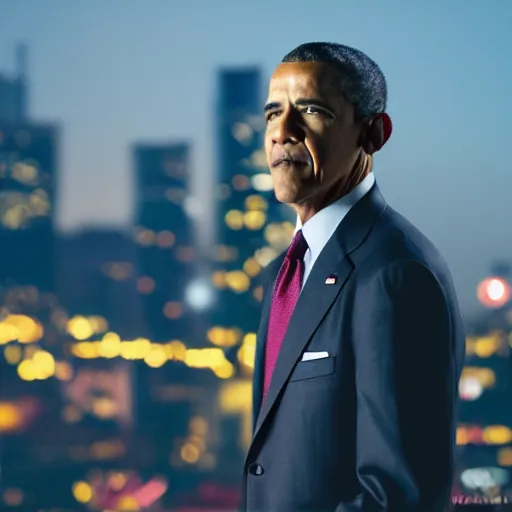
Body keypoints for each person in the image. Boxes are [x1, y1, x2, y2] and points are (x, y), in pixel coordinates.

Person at [241, 42, 466, 512]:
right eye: (272, 113)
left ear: (373, 133)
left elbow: (399, 496)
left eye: (311, 109)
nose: (282, 132)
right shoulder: (285, 273)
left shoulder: (395, 274)